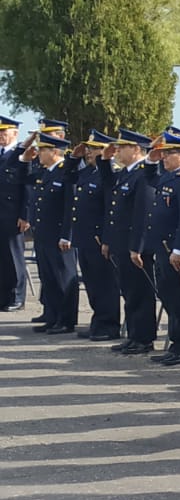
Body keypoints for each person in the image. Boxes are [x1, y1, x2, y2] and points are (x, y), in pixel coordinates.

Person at [141, 130, 180, 366]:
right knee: (168, 297)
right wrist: (151, 158)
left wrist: (179, 250)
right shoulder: (168, 177)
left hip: (178, 251)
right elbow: (149, 177)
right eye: (163, 154)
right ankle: (177, 344)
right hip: (163, 248)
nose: (164, 158)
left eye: (169, 154)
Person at [104, 129, 157, 355]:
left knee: (140, 292)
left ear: (136, 150)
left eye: (123, 147)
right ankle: (134, 335)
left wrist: (137, 247)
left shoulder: (143, 174)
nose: (118, 151)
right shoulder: (126, 173)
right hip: (121, 244)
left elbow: (143, 215)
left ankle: (144, 338)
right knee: (128, 291)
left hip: (135, 247)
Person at [23, 125, 80, 334]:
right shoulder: (45, 173)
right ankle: (53, 316)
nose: (39, 154)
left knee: (63, 277)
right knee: (48, 277)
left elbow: (69, 208)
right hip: (44, 235)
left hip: (59, 236)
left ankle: (66, 320)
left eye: (43, 150)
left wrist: (67, 235)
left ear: (55, 152)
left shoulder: (66, 172)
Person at [65, 132, 121, 341]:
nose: (89, 152)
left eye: (94, 148)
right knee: (91, 283)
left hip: (98, 238)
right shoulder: (88, 172)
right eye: (87, 148)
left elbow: (110, 209)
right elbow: (68, 178)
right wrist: (73, 158)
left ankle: (109, 325)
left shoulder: (109, 173)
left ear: (104, 150)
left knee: (105, 284)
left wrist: (106, 239)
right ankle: (98, 321)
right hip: (84, 237)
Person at [0, 116, 27, 311]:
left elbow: (27, 187)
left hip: (13, 214)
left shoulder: (22, 155)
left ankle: (18, 296)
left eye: (3, 132)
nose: (1, 136)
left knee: (14, 256)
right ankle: (3, 296)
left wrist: (25, 215)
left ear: (15, 133)